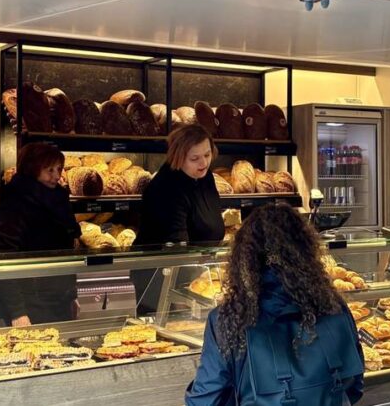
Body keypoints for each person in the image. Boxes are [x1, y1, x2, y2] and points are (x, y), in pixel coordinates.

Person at [185, 203, 364, 406]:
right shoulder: (334, 306)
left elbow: (206, 400)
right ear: (306, 252)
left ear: (245, 257)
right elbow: (355, 386)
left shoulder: (227, 318)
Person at [132, 124, 225, 313]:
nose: (203, 163)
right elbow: (176, 248)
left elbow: (211, 221)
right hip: (160, 281)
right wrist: (184, 299)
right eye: (195, 158)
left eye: (207, 155)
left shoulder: (205, 178)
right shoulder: (166, 188)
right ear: (178, 156)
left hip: (194, 275)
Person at [0, 142, 82, 326]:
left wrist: (71, 295)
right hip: (28, 301)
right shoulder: (15, 203)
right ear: (32, 169)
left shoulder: (58, 200)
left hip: (59, 297)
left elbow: (65, 254)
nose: (57, 176)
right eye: (50, 170)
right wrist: (17, 311)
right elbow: (4, 259)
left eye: (59, 169)